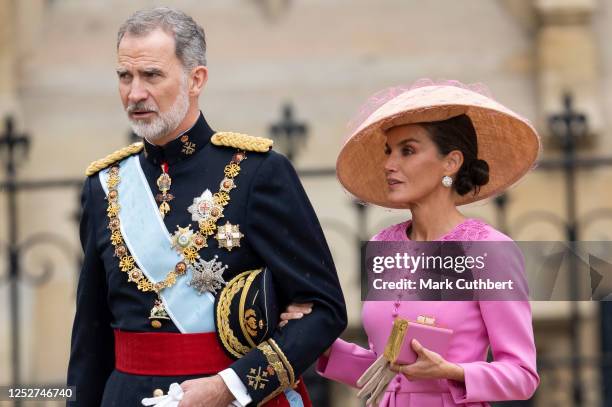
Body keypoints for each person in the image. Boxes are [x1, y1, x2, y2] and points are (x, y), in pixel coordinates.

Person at [66, 7, 347, 407]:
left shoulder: (257, 172)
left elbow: (325, 310)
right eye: (124, 77)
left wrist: (231, 386)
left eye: (151, 75)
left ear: (195, 79)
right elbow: (90, 337)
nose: (134, 93)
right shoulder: (105, 185)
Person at [285, 80, 541, 406]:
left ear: (451, 162)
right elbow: (384, 370)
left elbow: (522, 375)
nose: (389, 164)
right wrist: (323, 345)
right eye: (388, 151)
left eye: (408, 150)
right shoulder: (382, 245)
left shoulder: (488, 250)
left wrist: (453, 371)